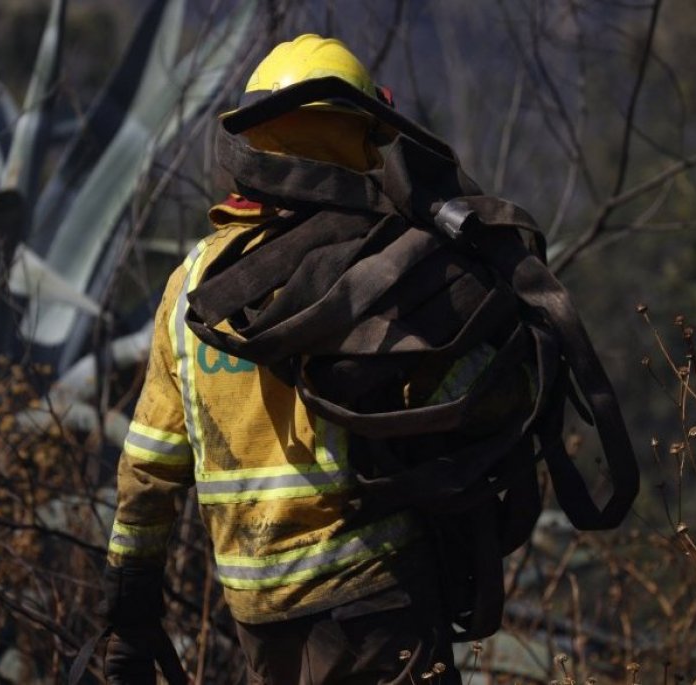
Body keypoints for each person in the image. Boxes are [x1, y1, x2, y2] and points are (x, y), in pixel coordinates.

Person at [101, 35, 463, 684]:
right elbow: (469, 402)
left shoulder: (191, 287)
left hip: (260, 619)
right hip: (378, 600)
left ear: (251, 142)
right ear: (362, 140)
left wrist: (129, 614)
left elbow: (148, 470)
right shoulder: (382, 268)